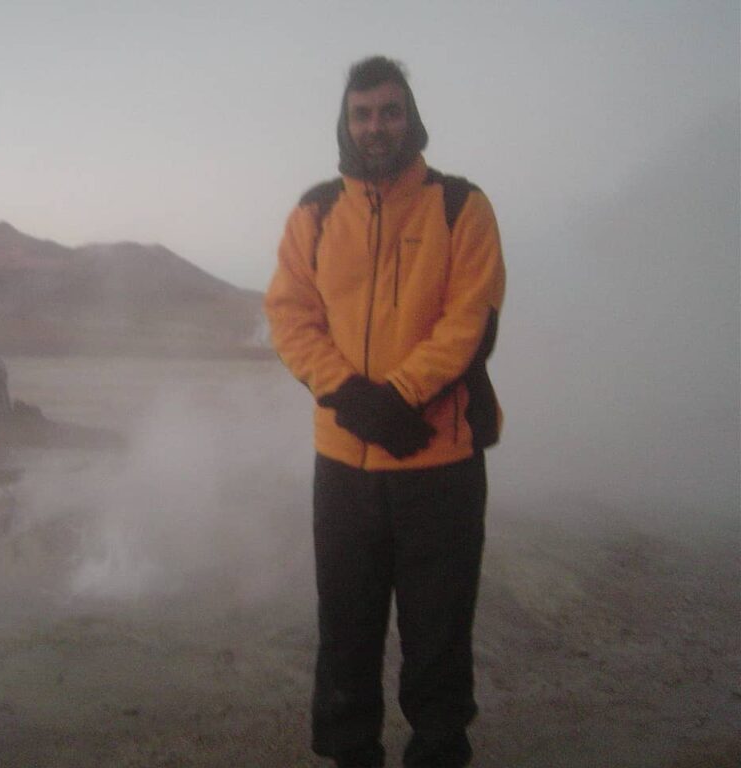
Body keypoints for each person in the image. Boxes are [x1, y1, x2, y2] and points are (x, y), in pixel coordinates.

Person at [264, 55, 505, 768]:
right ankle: (350, 753)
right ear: (346, 120)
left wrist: (398, 397)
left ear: (411, 117)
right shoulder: (314, 212)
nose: (376, 126)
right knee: (347, 626)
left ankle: (436, 749)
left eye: (389, 111)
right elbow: (291, 317)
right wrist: (353, 398)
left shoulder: (461, 205)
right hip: (343, 465)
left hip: (442, 464)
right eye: (363, 113)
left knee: (439, 628)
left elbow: (472, 319)